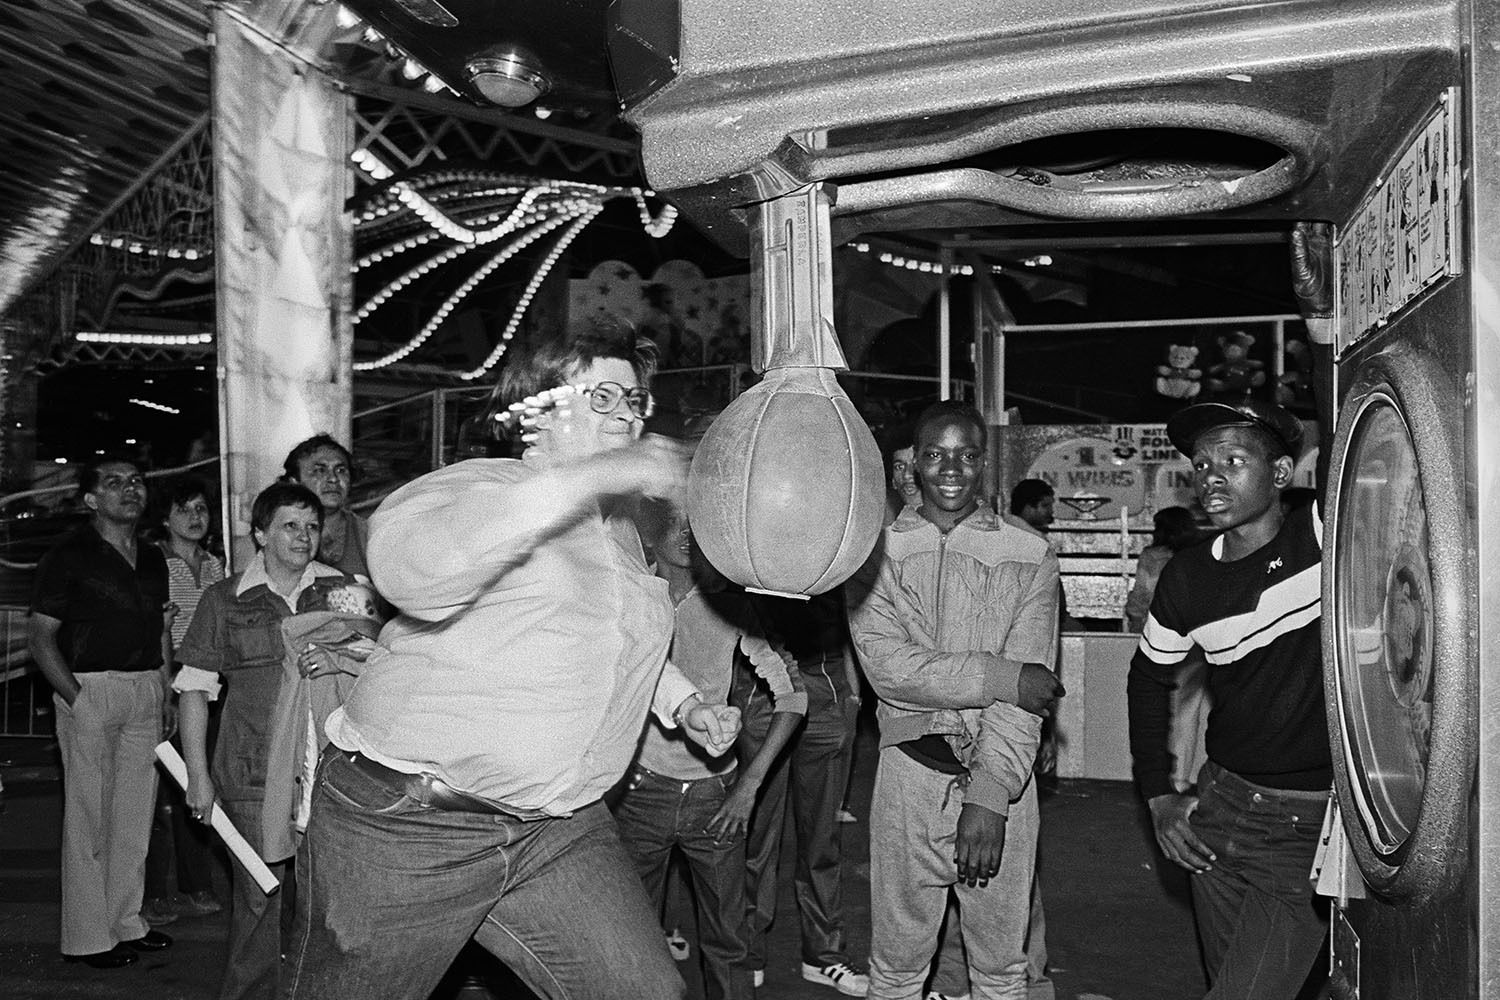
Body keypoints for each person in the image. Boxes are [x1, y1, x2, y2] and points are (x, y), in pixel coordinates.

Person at [283, 327, 742, 1000]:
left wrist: (685, 707)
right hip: (409, 825)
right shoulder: (471, 487)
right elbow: (412, 573)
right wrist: (589, 478)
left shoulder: (614, 530)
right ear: (538, 408)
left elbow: (612, 640)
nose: (627, 414)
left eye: (635, 398)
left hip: (555, 828)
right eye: (603, 395)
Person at [847, 401, 1064, 1000]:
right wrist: (1001, 675)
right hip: (908, 779)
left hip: (1005, 786)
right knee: (894, 968)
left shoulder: (1031, 555)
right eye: (936, 454)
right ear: (913, 464)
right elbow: (889, 671)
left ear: (984, 464)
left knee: (999, 971)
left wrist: (991, 798)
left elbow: (1030, 695)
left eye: (967, 455)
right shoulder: (872, 552)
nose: (951, 468)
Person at [1127, 398, 1329, 1000]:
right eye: (1201, 463)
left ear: (1280, 474)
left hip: (1305, 825)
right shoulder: (1187, 576)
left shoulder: (1322, 535)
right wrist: (1159, 795)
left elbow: (1351, 428)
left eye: (1233, 460)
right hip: (1217, 811)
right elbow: (1146, 679)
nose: (1211, 475)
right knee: (1228, 983)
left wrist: (1320, 330)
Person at [614, 507, 807, 1000]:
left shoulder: (730, 605)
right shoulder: (629, 595)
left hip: (714, 799)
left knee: (728, 943)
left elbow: (793, 697)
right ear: (647, 532)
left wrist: (748, 785)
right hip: (639, 793)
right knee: (631, 943)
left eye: (694, 521)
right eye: (673, 520)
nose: (685, 532)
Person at [174, 481, 342, 1000]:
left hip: (329, 770)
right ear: (261, 534)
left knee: (325, 904)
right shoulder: (225, 599)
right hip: (250, 771)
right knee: (258, 899)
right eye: (290, 525)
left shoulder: (342, 589)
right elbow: (194, 691)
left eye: (312, 526)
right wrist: (198, 778)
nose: (303, 536)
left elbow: (375, 664)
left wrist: (339, 660)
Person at [28, 456, 175, 968]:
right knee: (89, 819)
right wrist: (76, 698)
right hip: (90, 687)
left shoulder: (153, 557)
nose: (129, 490)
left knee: (135, 817)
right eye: (113, 483)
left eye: (136, 481)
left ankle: (125, 923)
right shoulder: (68, 555)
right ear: (91, 499)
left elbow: (159, 627)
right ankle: (89, 938)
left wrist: (166, 686)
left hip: (144, 689)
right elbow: (40, 637)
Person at [739, 585, 868, 996]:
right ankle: (746, 951)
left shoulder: (834, 541)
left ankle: (823, 956)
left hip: (827, 697)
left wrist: (852, 698)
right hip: (765, 698)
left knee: (822, 843)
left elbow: (851, 624)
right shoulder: (755, 537)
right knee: (756, 840)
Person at [143, 476, 227, 925]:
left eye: (201, 509)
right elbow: (158, 629)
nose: (196, 518)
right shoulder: (157, 561)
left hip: (210, 683)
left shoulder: (215, 565)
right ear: (166, 518)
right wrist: (164, 688)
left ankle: (196, 885)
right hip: (170, 678)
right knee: (157, 793)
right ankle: (153, 892)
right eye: (185, 510)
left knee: (198, 780)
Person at [281, 434, 368, 580]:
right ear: (295, 482)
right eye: (320, 470)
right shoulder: (279, 534)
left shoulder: (367, 534)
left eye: (341, 470)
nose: (333, 479)